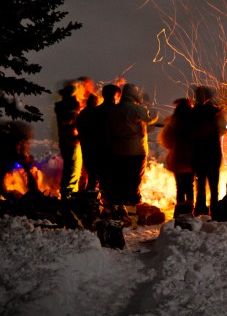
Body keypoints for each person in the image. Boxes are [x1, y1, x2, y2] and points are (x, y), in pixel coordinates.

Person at [105, 83, 158, 224]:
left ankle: (120, 211)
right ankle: (133, 212)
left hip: (118, 151)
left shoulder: (114, 110)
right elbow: (150, 118)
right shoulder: (136, 109)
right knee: (134, 181)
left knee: (120, 180)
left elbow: (109, 132)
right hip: (136, 151)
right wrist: (152, 110)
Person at [76, 84, 121, 193]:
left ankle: (91, 204)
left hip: (92, 153)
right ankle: (107, 206)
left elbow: (82, 130)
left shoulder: (93, 112)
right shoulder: (116, 112)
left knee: (93, 181)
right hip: (109, 153)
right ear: (115, 96)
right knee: (108, 184)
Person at [191, 86, 227, 216]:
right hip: (212, 153)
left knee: (200, 185)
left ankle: (200, 210)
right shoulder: (215, 112)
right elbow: (223, 129)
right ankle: (215, 209)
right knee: (214, 185)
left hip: (198, 154)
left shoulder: (193, 113)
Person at [159, 98, 196, 218]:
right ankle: (190, 209)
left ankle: (180, 211)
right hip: (191, 158)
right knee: (190, 184)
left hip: (177, 157)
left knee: (179, 186)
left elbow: (166, 140)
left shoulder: (173, 122)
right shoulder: (194, 121)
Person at [54, 82, 82, 199]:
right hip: (72, 142)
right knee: (73, 168)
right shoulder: (69, 110)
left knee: (71, 168)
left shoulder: (61, 108)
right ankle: (68, 195)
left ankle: (69, 192)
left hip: (66, 142)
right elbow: (71, 124)